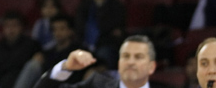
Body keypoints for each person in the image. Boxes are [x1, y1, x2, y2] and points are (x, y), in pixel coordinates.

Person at [33, 35, 167, 88]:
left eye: (138, 57)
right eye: (126, 56)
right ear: (119, 63)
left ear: (151, 66)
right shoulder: (96, 85)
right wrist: (66, 67)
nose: (130, 62)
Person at [13, 14, 84, 88]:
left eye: (62, 29)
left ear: (70, 31)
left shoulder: (79, 51)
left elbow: (93, 67)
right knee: (33, 64)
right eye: (54, 29)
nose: (58, 33)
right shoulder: (47, 53)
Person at [0, 10, 40, 88]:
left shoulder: (31, 44)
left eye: (14, 25)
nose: (11, 29)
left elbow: (35, 69)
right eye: (7, 26)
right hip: (2, 84)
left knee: (34, 64)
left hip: (23, 83)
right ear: (3, 28)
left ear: (21, 27)